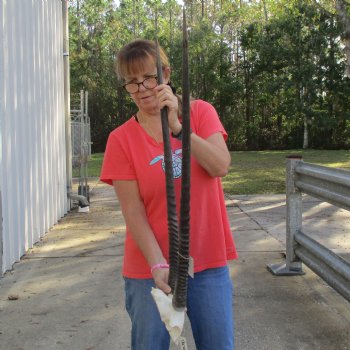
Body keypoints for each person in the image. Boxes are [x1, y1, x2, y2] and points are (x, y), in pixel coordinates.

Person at [100, 39, 238, 350]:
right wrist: (157, 263)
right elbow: (132, 211)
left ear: (166, 73)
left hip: (206, 262)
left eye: (149, 77)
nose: (142, 89)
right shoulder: (120, 139)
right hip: (149, 268)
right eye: (132, 83)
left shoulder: (200, 112)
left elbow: (220, 166)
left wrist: (178, 127)